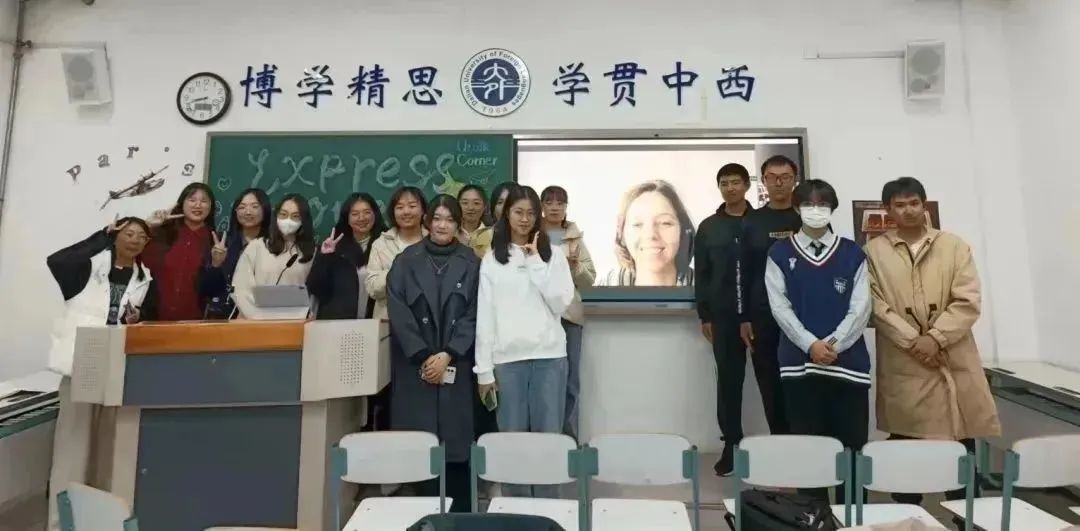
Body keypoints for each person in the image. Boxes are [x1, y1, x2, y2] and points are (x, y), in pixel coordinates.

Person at [864, 177, 1000, 505]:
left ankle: (965, 517)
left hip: (951, 356)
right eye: (899, 205)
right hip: (904, 361)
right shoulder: (873, 252)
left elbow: (967, 301)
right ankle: (908, 517)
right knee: (906, 445)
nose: (908, 210)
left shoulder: (953, 246)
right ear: (887, 210)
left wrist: (936, 338)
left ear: (924, 205)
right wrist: (916, 341)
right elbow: (875, 306)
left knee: (959, 445)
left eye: (914, 203)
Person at [45, 216, 157, 531]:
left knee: (111, 448)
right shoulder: (86, 270)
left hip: (117, 366)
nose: (134, 240)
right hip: (82, 362)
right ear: (116, 236)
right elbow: (56, 261)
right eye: (128, 233)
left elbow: (151, 318)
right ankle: (61, 523)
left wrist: (138, 318)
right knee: (72, 446)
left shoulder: (146, 278)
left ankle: (101, 522)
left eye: (142, 236)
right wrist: (101, 236)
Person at [765, 179, 871, 503]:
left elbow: (862, 308)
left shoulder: (852, 253)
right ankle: (813, 519)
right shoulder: (779, 253)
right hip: (800, 368)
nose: (815, 211)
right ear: (797, 208)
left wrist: (834, 344)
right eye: (808, 204)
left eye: (822, 205)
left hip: (848, 367)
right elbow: (779, 307)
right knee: (810, 458)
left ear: (832, 209)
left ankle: (852, 520)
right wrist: (811, 344)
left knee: (851, 453)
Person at [475, 185, 575, 498]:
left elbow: (561, 303)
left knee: (548, 443)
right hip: (507, 363)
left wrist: (535, 263)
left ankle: (549, 509)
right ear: (506, 214)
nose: (525, 219)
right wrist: (484, 371)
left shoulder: (553, 255)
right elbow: (485, 317)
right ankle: (516, 509)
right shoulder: (492, 260)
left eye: (531, 213)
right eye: (518, 212)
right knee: (512, 444)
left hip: (549, 359)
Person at [386, 194, 480, 512]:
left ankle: (460, 518)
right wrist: (425, 356)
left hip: (456, 364)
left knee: (457, 444)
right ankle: (423, 515)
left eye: (450, 219)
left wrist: (449, 354)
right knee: (419, 444)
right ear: (427, 221)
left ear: (458, 225)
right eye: (437, 218)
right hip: (416, 367)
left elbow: (475, 313)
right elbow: (399, 312)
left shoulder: (471, 262)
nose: (442, 225)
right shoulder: (405, 261)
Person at [693, 163, 755, 475]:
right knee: (728, 383)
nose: (730, 188)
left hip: (762, 316)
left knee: (774, 384)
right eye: (724, 183)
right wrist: (705, 314)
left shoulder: (760, 222)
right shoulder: (708, 227)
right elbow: (702, 274)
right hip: (723, 316)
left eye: (735, 182)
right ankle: (731, 445)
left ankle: (783, 446)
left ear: (746, 185)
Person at [735, 155, 802, 438]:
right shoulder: (752, 221)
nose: (778, 183)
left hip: (803, 315)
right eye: (772, 177)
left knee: (802, 384)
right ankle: (780, 444)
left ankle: (808, 446)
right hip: (763, 316)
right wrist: (744, 318)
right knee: (770, 383)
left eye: (785, 177)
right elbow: (743, 271)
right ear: (763, 181)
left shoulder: (806, 217)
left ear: (794, 180)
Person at [540, 185, 596, 439]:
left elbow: (589, 280)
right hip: (538, 316)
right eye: (549, 202)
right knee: (542, 379)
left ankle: (569, 439)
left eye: (560, 203)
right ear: (541, 206)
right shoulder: (531, 234)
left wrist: (575, 268)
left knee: (570, 380)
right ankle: (543, 437)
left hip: (569, 317)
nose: (555, 207)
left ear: (566, 207)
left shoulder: (574, 238)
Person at [231, 194, 315, 318]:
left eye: (295, 216)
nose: (288, 220)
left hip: (296, 322)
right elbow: (241, 289)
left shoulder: (311, 252)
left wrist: (302, 316)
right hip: (255, 321)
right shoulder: (257, 247)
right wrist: (260, 317)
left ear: (303, 220)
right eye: (283, 214)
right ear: (276, 216)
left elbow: (313, 296)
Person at [308, 193, 387, 320]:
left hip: (376, 321)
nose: (361, 218)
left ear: (375, 214)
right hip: (337, 322)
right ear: (347, 218)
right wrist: (325, 258)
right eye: (355, 214)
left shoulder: (386, 243)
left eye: (367, 212)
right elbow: (316, 289)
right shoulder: (334, 243)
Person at [601, 179, 695, 286]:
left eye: (665, 223)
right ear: (621, 234)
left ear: (683, 231)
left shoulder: (708, 288)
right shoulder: (604, 286)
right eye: (637, 224)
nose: (650, 235)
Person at [143, 182, 215, 321]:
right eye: (192, 200)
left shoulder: (215, 241)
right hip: (152, 318)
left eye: (204, 201)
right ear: (182, 204)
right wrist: (148, 226)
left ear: (211, 207)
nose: (198, 205)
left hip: (194, 322)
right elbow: (131, 254)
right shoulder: (162, 233)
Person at [200, 188, 271, 319]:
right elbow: (208, 290)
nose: (248, 212)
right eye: (242, 207)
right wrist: (216, 264)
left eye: (254, 206)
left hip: (261, 316)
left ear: (265, 210)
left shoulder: (274, 245)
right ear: (236, 211)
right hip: (223, 317)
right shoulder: (221, 241)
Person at [365, 186, 427, 321]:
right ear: (393, 212)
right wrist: (397, 270)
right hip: (388, 321)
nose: (406, 211)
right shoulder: (381, 244)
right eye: (399, 207)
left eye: (412, 206)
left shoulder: (433, 241)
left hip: (426, 321)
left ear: (423, 210)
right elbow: (372, 289)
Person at [457, 184, 492, 258]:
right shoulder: (451, 233)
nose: (470, 208)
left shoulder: (493, 235)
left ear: (484, 207)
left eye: (476, 203)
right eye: (465, 203)